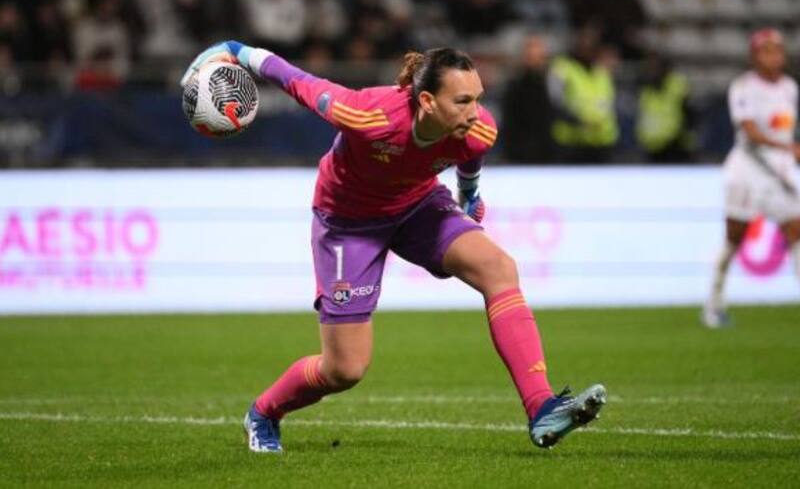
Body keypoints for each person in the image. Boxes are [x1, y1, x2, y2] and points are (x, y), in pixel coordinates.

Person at [181, 41, 607, 452]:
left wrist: (469, 196)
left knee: (499, 268)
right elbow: (298, 81)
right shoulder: (367, 114)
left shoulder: (478, 130)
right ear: (425, 102)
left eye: (477, 98)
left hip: (418, 205)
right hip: (348, 224)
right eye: (462, 101)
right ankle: (263, 413)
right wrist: (238, 51)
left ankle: (542, 407)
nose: (475, 112)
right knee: (345, 369)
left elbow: (470, 158)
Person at [704, 28, 800, 328]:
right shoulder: (744, 87)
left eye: (777, 50)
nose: (774, 56)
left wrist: (787, 150)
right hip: (748, 170)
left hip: (779, 172)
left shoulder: (789, 88)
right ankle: (714, 304)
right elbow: (750, 131)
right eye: (766, 50)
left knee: (796, 230)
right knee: (734, 239)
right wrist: (787, 146)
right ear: (755, 56)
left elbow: (786, 128)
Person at [547, 24, 618, 164]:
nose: (588, 47)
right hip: (572, 143)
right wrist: (578, 122)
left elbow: (608, 103)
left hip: (602, 142)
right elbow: (555, 102)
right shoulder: (562, 69)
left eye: (592, 43)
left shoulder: (602, 72)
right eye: (584, 42)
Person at [500, 35, 555, 164]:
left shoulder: (553, 83)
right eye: (529, 54)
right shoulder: (514, 85)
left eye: (537, 54)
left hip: (547, 153)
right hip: (519, 153)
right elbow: (510, 121)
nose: (533, 58)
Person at [635, 52, 695, 164]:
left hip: (675, 144)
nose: (652, 70)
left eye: (655, 67)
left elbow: (689, 112)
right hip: (651, 145)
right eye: (649, 67)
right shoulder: (644, 87)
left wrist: (686, 139)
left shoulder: (677, 84)